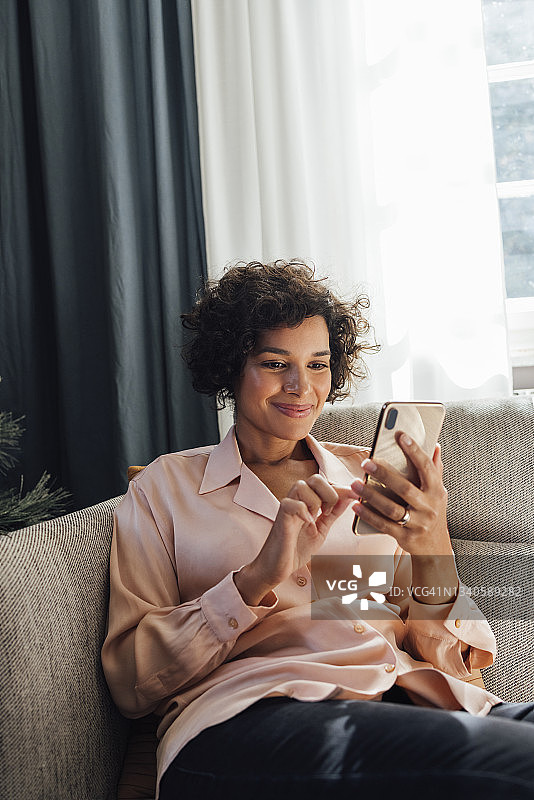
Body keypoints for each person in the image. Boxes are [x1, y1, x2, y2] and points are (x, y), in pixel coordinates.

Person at [102, 260, 534, 800]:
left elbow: (457, 662)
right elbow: (131, 681)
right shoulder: (166, 489)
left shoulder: (364, 478)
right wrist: (257, 577)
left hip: (402, 698)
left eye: (318, 363)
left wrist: (431, 547)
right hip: (247, 721)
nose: (300, 386)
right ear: (229, 368)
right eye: (274, 362)